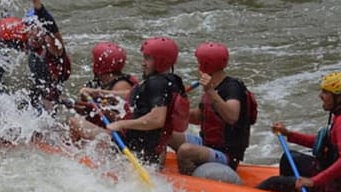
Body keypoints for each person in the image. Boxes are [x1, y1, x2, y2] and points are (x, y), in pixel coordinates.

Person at [257, 72, 341, 192]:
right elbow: (324, 143)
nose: (320, 96)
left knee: (273, 183)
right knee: (290, 157)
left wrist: (313, 181)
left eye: (326, 92)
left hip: (340, 188)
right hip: (338, 178)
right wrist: (289, 134)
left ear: (339, 98)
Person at [70, 37, 190, 165]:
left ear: (161, 61)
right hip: (151, 151)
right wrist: (100, 93)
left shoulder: (156, 83)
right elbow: (133, 94)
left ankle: (73, 157)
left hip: (128, 148)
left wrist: (121, 124)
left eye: (148, 58)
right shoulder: (172, 81)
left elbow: (157, 120)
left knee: (74, 122)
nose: (143, 63)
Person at [0, 0, 71, 112]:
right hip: (27, 88)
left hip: (47, 93)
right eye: (32, 27)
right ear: (25, 28)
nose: (36, 32)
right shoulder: (18, 34)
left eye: (40, 29)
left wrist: (37, 4)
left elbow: (52, 26)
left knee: (34, 62)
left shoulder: (54, 47)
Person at [174, 42, 251, 175]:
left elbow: (232, 116)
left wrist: (210, 90)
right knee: (165, 134)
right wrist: (175, 111)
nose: (197, 66)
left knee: (185, 151)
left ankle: (188, 181)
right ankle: (154, 168)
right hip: (206, 144)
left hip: (226, 154)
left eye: (198, 62)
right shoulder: (213, 84)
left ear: (205, 65)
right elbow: (198, 117)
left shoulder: (233, 87)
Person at [67, 42, 138, 132]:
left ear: (100, 64)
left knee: (74, 122)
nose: (92, 63)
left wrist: (98, 96)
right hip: (106, 129)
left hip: (117, 136)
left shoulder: (120, 85)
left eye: (94, 60)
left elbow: (124, 117)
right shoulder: (100, 83)